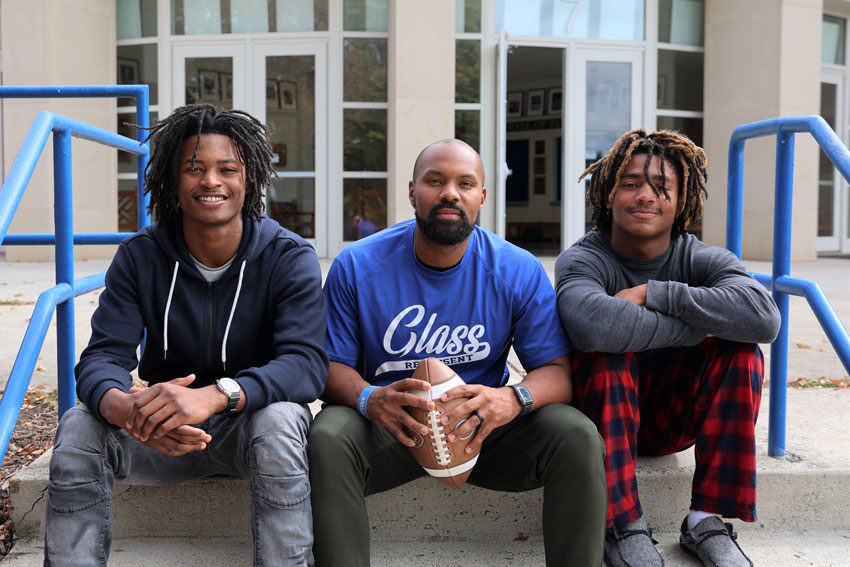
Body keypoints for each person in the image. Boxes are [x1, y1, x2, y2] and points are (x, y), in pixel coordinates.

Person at [44, 104, 328, 566]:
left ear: (249, 178)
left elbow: (306, 364)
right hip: (160, 428)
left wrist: (217, 396)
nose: (211, 181)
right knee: (79, 424)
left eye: (226, 169)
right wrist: (128, 408)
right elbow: (101, 359)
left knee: (282, 421)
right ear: (173, 182)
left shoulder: (287, 256)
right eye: (194, 169)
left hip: (249, 425)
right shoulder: (140, 256)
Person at [309, 138, 607, 566]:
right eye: (435, 181)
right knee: (328, 434)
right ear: (412, 191)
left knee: (576, 434)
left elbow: (557, 372)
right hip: (391, 425)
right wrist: (369, 398)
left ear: (481, 197)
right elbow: (328, 366)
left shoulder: (516, 268)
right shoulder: (357, 264)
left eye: (465, 183)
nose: (450, 192)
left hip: (483, 428)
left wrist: (511, 398)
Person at [555, 129, 781, 567]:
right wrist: (700, 328)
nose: (646, 196)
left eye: (662, 187)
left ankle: (705, 520)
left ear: (681, 202)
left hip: (673, 418)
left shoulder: (702, 258)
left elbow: (763, 317)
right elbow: (593, 327)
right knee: (605, 357)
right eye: (632, 183)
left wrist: (656, 293)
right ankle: (620, 523)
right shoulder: (584, 259)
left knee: (741, 353)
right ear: (606, 194)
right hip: (602, 420)